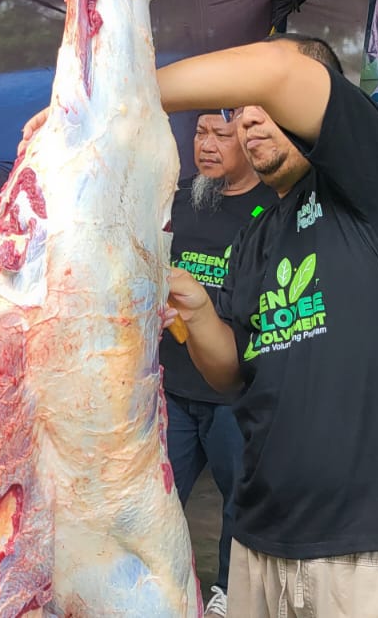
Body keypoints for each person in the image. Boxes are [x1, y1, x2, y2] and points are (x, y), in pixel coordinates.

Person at [157, 31, 378, 618]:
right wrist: (198, 308)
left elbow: (279, 67)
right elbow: (233, 374)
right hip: (265, 543)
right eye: (243, 112)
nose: (251, 120)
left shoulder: (376, 184)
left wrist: (119, 97)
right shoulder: (257, 231)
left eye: (266, 107)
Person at [163, 111, 278, 616]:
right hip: (173, 386)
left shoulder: (275, 208)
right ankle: (157, 585)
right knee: (158, 495)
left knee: (241, 500)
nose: (206, 145)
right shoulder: (177, 199)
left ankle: (230, 593)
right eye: (200, 133)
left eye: (222, 135)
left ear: (249, 141)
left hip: (238, 392)